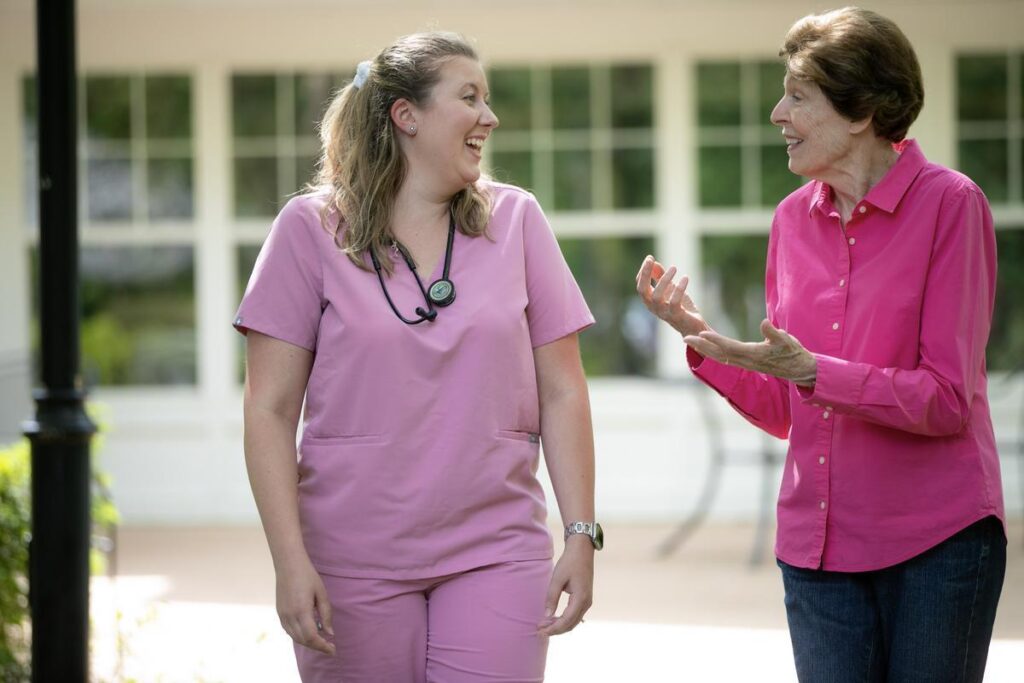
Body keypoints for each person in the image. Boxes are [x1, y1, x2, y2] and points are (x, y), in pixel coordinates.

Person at [637, 7, 1006, 682]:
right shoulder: (790, 221)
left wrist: (813, 370)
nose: (778, 113)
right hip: (817, 550)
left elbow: (948, 399)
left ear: (861, 110)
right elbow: (791, 405)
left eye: (798, 95)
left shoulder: (953, 206)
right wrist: (701, 337)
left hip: (936, 544)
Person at [235, 31, 600, 682]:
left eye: (487, 99)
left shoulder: (518, 220)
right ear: (407, 116)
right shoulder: (306, 230)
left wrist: (580, 532)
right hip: (349, 559)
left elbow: (565, 391)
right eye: (470, 97)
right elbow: (268, 408)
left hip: (495, 550)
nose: (489, 117)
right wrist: (290, 561)